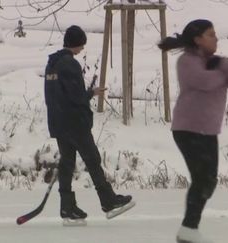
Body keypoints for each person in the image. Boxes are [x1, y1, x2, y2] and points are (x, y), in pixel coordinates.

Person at [158, 19, 228, 243]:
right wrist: (221, 74)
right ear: (197, 39)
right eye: (210, 34)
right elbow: (203, 82)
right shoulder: (187, 61)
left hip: (208, 131)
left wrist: (225, 63)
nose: (215, 38)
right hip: (188, 129)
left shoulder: (216, 62)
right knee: (201, 178)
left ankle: (190, 228)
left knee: (209, 180)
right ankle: (189, 229)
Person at [44, 25, 135, 226]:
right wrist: (91, 93)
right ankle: (108, 201)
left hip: (59, 123)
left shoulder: (52, 64)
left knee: (67, 163)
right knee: (92, 159)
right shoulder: (70, 64)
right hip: (74, 122)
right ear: (77, 43)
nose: (82, 49)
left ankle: (67, 206)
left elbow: (55, 95)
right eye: (82, 44)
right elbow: (75, 96)